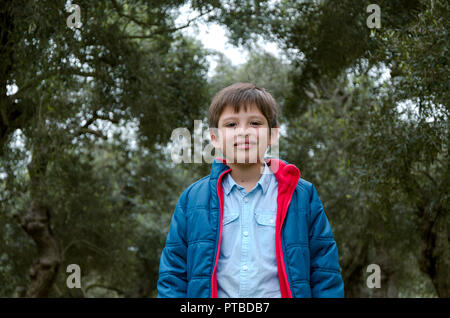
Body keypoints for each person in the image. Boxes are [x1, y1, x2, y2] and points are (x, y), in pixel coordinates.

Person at [157, 82, 344, 298]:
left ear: (272, 135)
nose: (244, 132)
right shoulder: (192, 199)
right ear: (215, 138)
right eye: (231, 125)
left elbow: (325, 271)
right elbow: (173, 275)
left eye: (255, 123)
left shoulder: (302, 195)